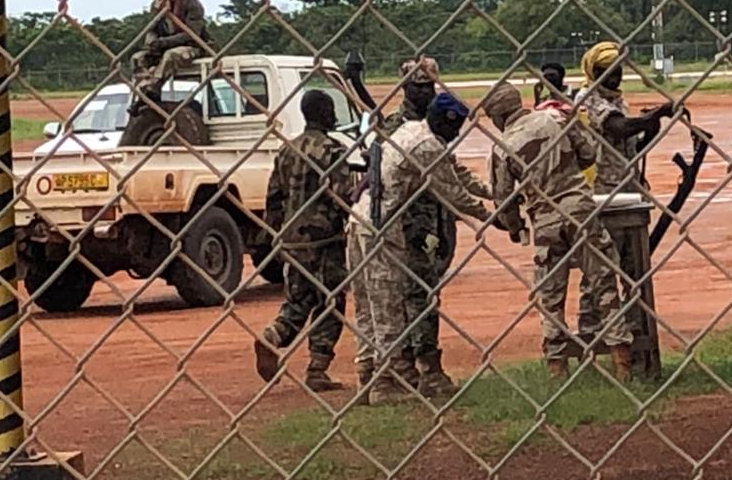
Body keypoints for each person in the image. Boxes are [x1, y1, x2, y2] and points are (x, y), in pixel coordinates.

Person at [482, 81, 635, 380]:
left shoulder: (503, 146)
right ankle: (622, 362)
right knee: (603, 284)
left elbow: (502, 199)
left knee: (551, 296)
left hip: (545, 219)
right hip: (580, 209)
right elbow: (589, 154)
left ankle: (557, 367)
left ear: (498, 117)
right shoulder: (556, 118)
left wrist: (516, 227)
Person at [354, 92, 491, 404]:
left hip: (360, 217)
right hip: (382, 225)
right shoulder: (428, 146)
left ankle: (367, 372)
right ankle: (386, 383)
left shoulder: (411, 129)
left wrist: (491, 191)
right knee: (388, 303)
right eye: (454, 129)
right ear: (444, 124)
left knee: (368, 303)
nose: (456, 136)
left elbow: (455, 172)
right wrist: (491, 217)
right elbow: (453, 193)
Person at [254, 90, 352, 392]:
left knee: (299, 300)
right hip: (325, 239)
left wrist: (276, 233)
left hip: (292, 240)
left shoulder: (287, 151)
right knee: (331, 301)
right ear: (324, 113)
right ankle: (317, 368)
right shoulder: (333, 152)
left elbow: (273, 197)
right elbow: (342, 197)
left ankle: (273, 335)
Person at [575, 41, 674, 195]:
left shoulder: (618, 102)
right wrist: (657, 113)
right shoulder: (587, 97)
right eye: (605, 72)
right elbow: (619, 128)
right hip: (602, 186)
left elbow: (632, 147)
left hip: (628, 182)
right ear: (592, 72)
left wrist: (651, 124)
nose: (613, 78)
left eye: (617, 71)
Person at [131, 0, 210, 106]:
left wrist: (164, 42)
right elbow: (152, 29)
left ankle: (154, 87)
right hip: (162, 46)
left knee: (171, 55)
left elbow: (192, 34)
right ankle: (142, 89)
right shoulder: (156, 5)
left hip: (192, 47)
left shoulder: (190, 2)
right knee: (138, 58)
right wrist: (152, 43)